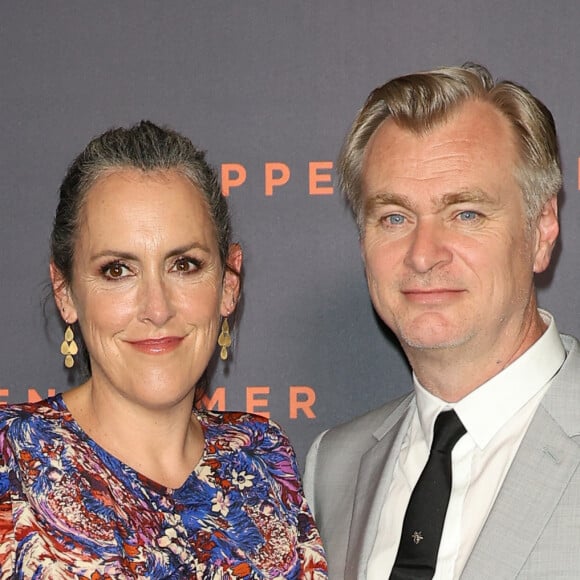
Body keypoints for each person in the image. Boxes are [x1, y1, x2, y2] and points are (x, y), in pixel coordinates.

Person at [0, 121, 327, 579]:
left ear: (228, 284)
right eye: (117, 270)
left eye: (184, 265)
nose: (157, 308)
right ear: (66, 292)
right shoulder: (10, 461)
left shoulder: (261, 456)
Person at [304, 63, 580, 579]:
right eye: (394, 217)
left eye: (466, 214)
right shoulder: (333, 466)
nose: (423, 254)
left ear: (542, 229)